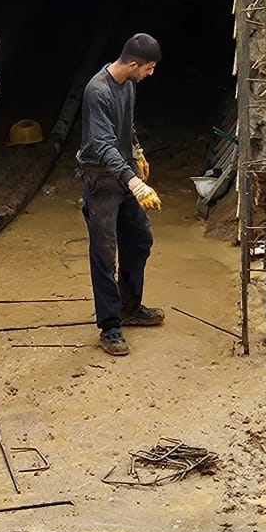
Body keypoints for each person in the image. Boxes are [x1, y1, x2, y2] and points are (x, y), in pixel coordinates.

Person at [76, 32, 165, 357]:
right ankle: (110, 326)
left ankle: (130, 305)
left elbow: (124, 128)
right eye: (149, 68)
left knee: (140, 239)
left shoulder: (128, 86)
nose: (150, 74)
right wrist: (134, 182)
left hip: (124, 173)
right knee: (104, 252)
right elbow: (101, 144)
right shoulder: (97, 91)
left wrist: (136, 150)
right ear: (133, 63)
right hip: (101, 180)